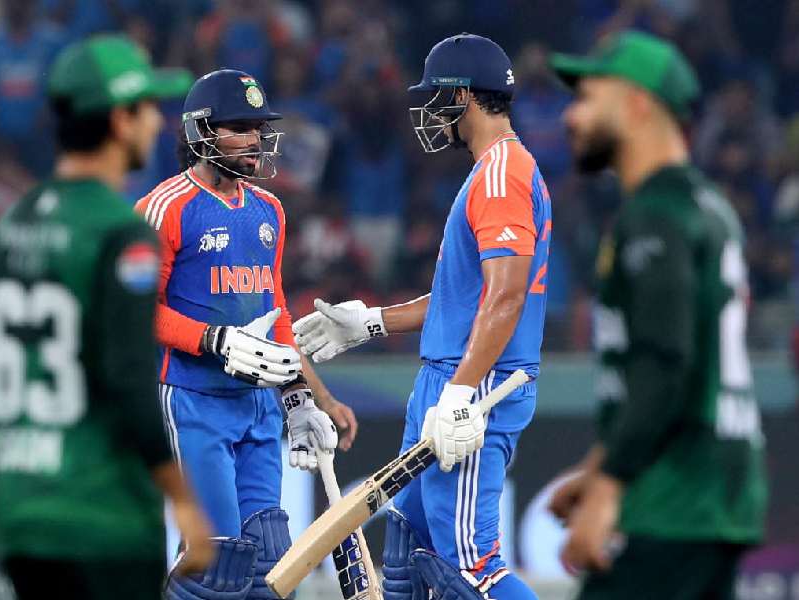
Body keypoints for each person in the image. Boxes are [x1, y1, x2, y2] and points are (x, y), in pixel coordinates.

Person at [293, 33, 551, 600]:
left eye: (438, 97)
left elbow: (505, 297)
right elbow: (466, 297)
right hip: (453, 375)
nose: (432, 112)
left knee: (472, 566)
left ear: (463, 95)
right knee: (408, 546)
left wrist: (459, 393)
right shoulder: (491, 169)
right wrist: (373, 322)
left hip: (475, 381)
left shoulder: (502, 172)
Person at [0, 34, 214, 599]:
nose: (158, 124)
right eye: (147, 110)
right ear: (119, 120)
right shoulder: (121, 233)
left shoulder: (13, 221)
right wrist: (183, 501)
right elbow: (129, 381)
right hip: (102, 516)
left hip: (23, 508)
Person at [546, 31, 768, 598]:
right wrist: (599, 465)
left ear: (638, 104)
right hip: (718, 496)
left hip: (668, 501)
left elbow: (665, 365)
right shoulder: (710, 207)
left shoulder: (654, 216)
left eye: (590, 97)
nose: (573, 116)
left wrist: (608, 490)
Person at [133, 68, 358, 600]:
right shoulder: (165, 207)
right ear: (201, 133)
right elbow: (140, 310)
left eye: (258, 127)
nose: (256, 139)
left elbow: (274, 310)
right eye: (239, 127)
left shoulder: (270, 211)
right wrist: (214, 340)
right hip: (194, 401)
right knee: (218, 566)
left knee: (271, 567)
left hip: (258, 409)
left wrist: (305, 398)